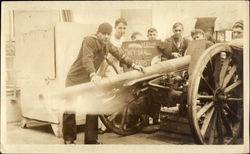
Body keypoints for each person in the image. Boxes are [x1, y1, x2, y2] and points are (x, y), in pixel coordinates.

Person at [64, 22, 144, 144]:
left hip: (90, 80)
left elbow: (119, 54)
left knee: (93, 107)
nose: (106, 37)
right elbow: (87, 59)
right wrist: (93, 74)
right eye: (104, 34)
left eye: (108, 34)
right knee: (70, 108)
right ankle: (69, 140)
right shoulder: (89, 41)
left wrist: (134, 65)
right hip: (75, 78)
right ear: (98, 33)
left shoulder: (106, 44)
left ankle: (91, 140)